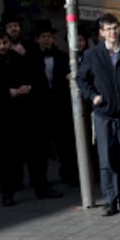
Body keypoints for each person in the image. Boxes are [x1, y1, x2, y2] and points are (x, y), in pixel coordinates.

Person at [76, 14, 120, 215]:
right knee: (107, 159)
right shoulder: (93, 54)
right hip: (104, 114)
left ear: (119, 29)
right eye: (108, 29)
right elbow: (81, 79)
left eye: (115, 28)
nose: (112, 32)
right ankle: (110, 200)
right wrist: (93, 96)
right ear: (101, 33)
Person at [0, 27, 31, 207]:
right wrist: (9, 92)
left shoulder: (16, 59)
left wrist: (25, 88)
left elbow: (28, 77)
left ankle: (18, 183)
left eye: (5, 42)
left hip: (19, 113)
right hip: (1, 117)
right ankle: (7, 192)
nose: (2, 46)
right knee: (4, 157)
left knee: (19, 154)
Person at [35, 24, 78, 186]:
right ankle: (41, 180)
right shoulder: (33, 57)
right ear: (37, 39)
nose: (46, 40)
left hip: (61, 105)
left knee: (66, 143)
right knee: (42, 146)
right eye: (43, 37)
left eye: (49, 37)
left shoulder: (61, 56)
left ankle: (69, 173)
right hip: (41, 107)